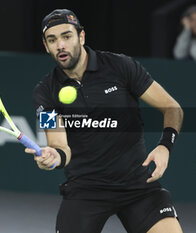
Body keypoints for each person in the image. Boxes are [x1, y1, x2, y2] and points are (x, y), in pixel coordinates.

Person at [25, 9, 184, 233]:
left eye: (66, 36)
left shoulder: (120, 67)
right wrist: (54, 157)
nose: (60, 45)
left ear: (81, 37)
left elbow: (172, 108)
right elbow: (60, 146)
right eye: (52, 40)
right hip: (85, 190)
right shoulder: (45, 92)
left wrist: (165, 146)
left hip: (138, 185)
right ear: (46, 46)